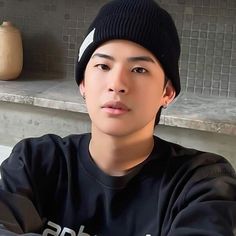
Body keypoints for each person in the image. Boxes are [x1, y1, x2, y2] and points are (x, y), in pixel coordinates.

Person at [0, 0, 236, 235]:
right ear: (83, 83)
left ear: (167, 92)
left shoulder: (201, 182)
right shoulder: (35, 162)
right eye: (103, 66)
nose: (117, 84)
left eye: (139, 70)